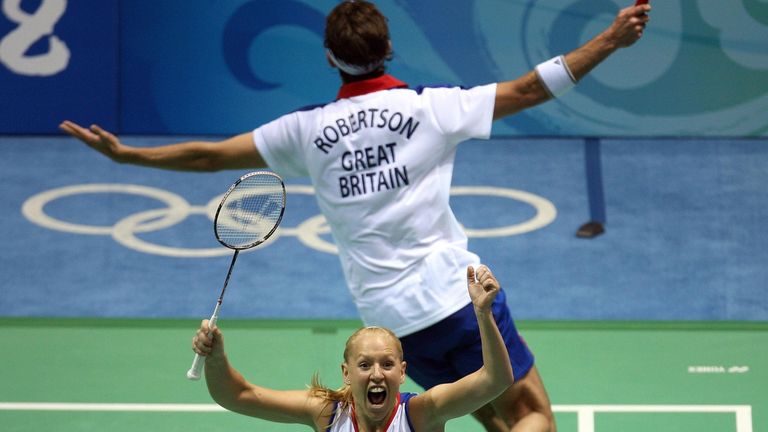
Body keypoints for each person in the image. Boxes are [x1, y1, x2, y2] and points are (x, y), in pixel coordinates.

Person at [60, 2, 651, 430]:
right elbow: (527, 89)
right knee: (527, 415)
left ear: (329, 58)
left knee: (487, 420)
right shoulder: (431, 109)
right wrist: (609, 41)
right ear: (387, 50)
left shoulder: (305, 129)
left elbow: (209, 156)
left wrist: (128, 154)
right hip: (457, 297)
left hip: (391, 326)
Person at [192, 265, 514, 432]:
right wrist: (216, 357)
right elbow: (237, 395)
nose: (377, 374)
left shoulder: (422, 414)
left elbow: (495, 380)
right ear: (346, 373)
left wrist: (483, 314)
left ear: (402, 372)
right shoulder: (327, 414)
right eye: (365, 365)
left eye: (387, 364)